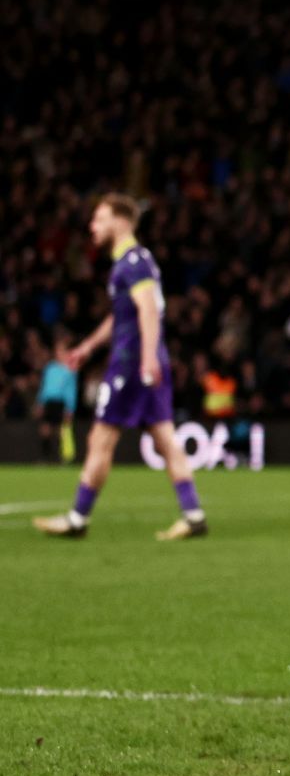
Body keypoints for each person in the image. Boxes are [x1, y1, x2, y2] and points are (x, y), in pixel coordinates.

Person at [34, 194, 208, 541]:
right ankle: (193, 515)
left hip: (131, 365)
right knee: (165, 439)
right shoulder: (133, 262)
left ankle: (77, 518)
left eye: (99, 219)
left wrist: (145, 358)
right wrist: (87, 346)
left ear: (121, 221)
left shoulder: (132, 263)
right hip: (145, 361)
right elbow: (121, 316)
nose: (92, 226)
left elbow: (146, 310)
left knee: (101, 438)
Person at [36, 329, 78, 464]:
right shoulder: (50, 368)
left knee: (61, 431)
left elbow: (71, 390)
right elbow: (44, 387)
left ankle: (63, 458)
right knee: (45, 430)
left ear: (67, 353)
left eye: (62, 351)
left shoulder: (70, 370)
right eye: (57, 351)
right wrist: (40, 402)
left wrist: (70, 408)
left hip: (61, 404)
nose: (59, 353)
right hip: (49, 402)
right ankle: (45, 458)